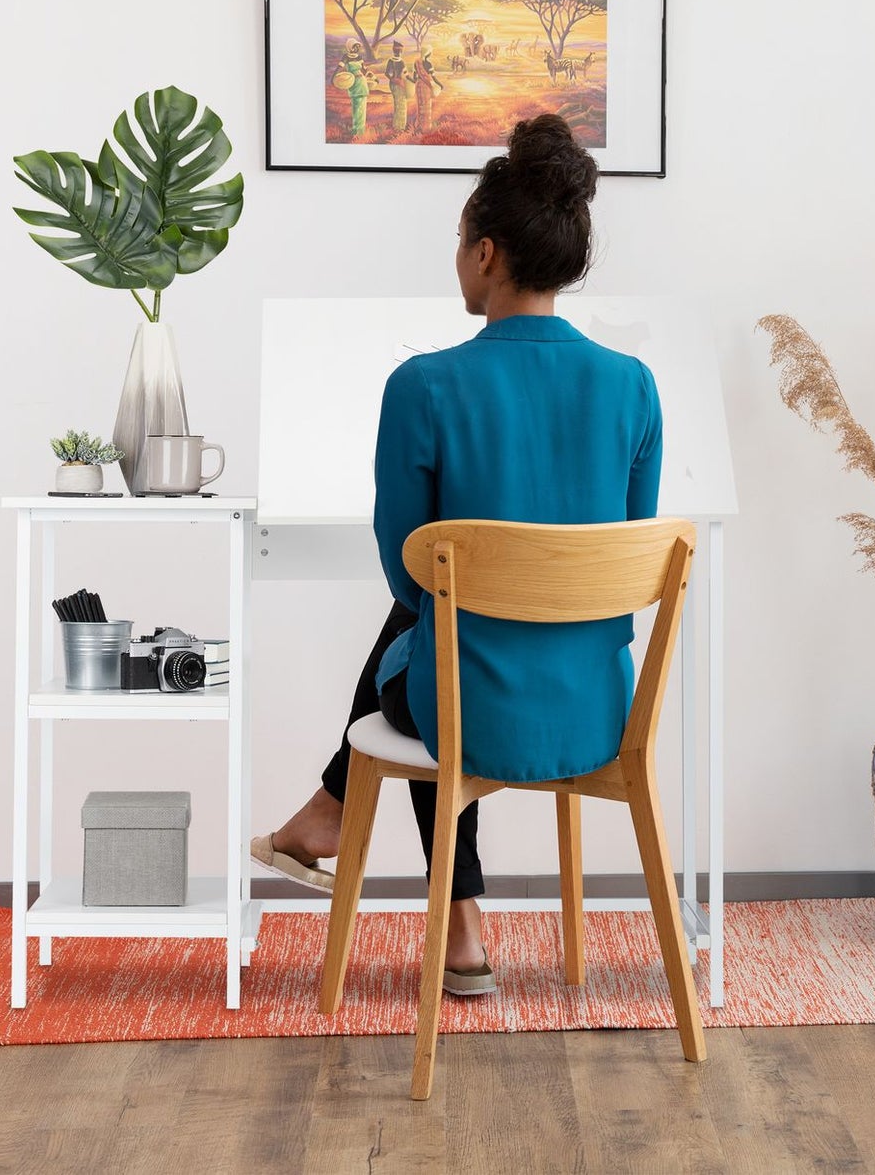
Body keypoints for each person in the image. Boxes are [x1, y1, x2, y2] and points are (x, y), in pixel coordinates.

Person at [251, 114, 663, 995]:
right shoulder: (634, 386)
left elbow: (405, 576)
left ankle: (422, 887)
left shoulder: (424, 385)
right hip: (600, 713)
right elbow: (622, 563)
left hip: (468, 713)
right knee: (437, 631)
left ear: (485, 253)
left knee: (428, 633)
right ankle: (419, 890)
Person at [409, 44, 443, 133]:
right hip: (427, 87)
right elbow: (433, 77)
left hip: (419, 86)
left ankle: (419, 127)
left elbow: (415, 77)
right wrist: (440, 84)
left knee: (420, 107)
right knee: (427, 107)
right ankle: (426, 128)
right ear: (428, 53)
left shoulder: (417, 62)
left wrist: (411, 81)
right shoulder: (428, 64)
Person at [384, 40, 410, 133]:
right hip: (395, 85)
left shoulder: (402, 62)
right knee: (398, 104)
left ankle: (401, 126)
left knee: (402, 105)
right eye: (397, 51)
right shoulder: (391, 61)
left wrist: (411, 80)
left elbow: (406, 74)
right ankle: (398, 127)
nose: (399, 53)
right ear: (394, 51)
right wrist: (394, 79)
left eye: (400, 51)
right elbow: (387, 73)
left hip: (401, 84)